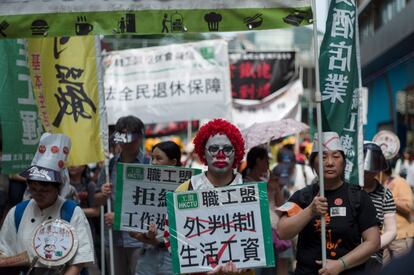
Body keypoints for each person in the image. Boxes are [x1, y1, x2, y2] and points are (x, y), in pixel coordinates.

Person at [277, 131, 380, 275]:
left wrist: (341, 264)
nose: (330, 162)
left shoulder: (358, 197)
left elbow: (373, 242)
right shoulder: (303, 196)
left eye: (336, 156)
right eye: (323, 157)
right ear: (313, 162)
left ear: (343, 162)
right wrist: (310, 211)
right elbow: (282, 232)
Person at [164, 118, 254, 275]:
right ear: (203, 152)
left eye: (227, 149)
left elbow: (260, 239)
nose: (220, 155)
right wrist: (201, 268)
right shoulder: (186, 190)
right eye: (213, 149)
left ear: (236, 152)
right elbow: (169, 236)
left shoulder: (251, 192)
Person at [0, 133, 94, 275]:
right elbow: (4, 250)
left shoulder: (71, 211)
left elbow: (80, 260)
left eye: (45, 190)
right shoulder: (17, 212)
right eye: (34, 189)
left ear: (58, 187)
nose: (38, 194)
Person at [95, 115, 150, 275]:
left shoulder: (149, 165)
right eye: (123, 139)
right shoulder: (110, 165)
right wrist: (103, 194)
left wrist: (120, 217)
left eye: (131, 139)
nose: (126, 144)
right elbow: (97, 200)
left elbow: (152, 206)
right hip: (113, 237)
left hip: (140, 238)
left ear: (140, 137)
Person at [129, 140, 181, 275]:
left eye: (158, 158)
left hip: (173, 257)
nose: (153, 162)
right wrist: (146, 237)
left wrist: (158, 240)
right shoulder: (142, 187)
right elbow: (132, 230)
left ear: (173, 162)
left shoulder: (186, 188)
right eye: (152, 158)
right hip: (148, 255)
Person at [363, 142, 397, 273]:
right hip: (346, 254)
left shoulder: (385, 194)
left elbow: (391, 231)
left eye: (372, 170)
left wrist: (372, 246)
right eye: (365, 170)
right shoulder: (349, 189)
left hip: (373, 259)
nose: (368, 173)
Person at [381, 162, 414, 263]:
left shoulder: (400, 182)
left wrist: (388, 196)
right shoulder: (378, 184)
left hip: (401, 238)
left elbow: (408, 206)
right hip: (383, 238)